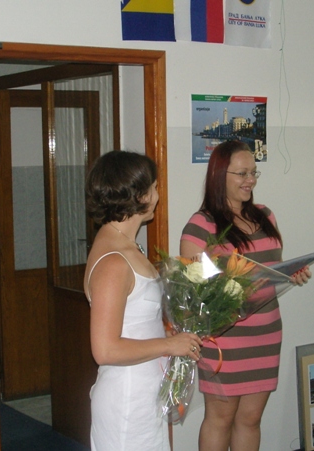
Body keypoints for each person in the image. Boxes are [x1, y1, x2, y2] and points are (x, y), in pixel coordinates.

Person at [180, 140, 311, 451]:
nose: (250, 180)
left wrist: (291, 274)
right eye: (242, 173)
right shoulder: (201, 225)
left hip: (266, 334)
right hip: (225, 339)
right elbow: (191, 290)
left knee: (251, 420)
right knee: (220, 420)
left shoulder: (265, 215)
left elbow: (271, 268)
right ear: (219, 176)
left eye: (254, 172)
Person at [84, 150, 203, 451]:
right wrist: (169, 345)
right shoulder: (114, 260)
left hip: (143, 390)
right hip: (128, 399)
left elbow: (133, 323)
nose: (158, 194)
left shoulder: (123, 244)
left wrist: (167, 334)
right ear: (139, 195)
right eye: (154, 187)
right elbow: (105, 349)